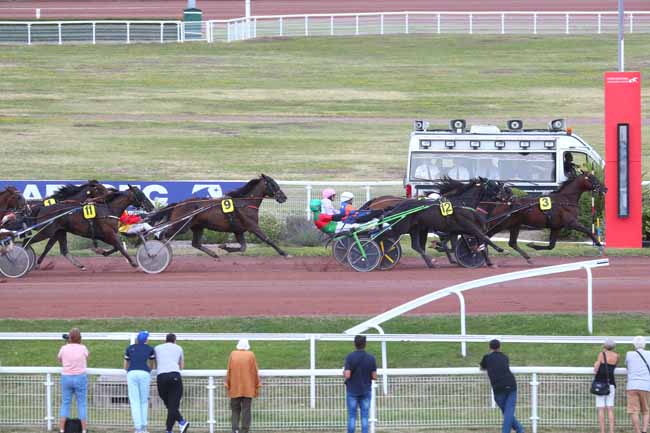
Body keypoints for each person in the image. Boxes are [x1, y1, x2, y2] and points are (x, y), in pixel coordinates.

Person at [480, 339, 524, 433]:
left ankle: (514, 430)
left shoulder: (486, 357)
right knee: (508, 412)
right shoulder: (505, 356)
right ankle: (520, 430)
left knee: (507, 412)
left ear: (489, 348)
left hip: (498, 388)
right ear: (500, 347)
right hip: (511, 385)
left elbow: (482, 367)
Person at [155, 333, 190, 433]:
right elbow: (181, 366)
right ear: (175, 340)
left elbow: (156, 363)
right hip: (174, 375)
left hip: (161, 377)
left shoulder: (157, 348)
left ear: (165, 340)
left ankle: (170, 429)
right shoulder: (178, 348)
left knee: (170, 406)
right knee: (173, 406)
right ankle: (181, 422)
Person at [224, 339, 261, 433]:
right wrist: (257, 385)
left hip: (235, 387)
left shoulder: (233, 354)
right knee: (246, 410)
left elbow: (229, 370)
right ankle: (244, 430)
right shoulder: (251, 355)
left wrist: (227, 383)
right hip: (248, 387)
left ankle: (235, 429)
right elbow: (254, 371)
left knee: (235, 410)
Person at [57, 328, 89, 433]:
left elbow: (59, 359)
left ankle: (62, 429)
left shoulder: (64, 348)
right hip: (80, 377)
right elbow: (87, 356)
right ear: (80, 338)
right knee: (82, 404)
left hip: (66, 377)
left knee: (65, 403)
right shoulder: (83, 348)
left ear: (69, 338)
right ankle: (84, 430)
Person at [344, 335, 377, 433]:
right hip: (366, 390)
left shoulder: (349, 357)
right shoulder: (371, 358)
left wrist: (343, 372)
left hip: (352, 391)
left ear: (354, 344)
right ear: (365, 344)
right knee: (365, 416)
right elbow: (374, 376)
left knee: (352, 416)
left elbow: (347, 375)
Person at [125, 330, 156, 433]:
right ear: (146, 339)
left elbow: (126, 365)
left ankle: (137, 428)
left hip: (132, 373)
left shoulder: (130, 348)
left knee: (135, 402)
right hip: (144, 374)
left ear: (137, 339)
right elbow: (152, 364)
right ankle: (144, 427)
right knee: (143, 401)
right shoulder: (150, 349)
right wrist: (148, 370)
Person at [626, 336, 650, 433]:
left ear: (634, 344)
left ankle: (637, 431)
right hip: (646, 385)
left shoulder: (629, 354)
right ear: (644, 344)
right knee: (646, 410)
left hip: (632, 385)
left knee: (633, 410)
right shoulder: (649, 354)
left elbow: (627, 366)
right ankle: (644, 431)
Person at [594, 339, 619, 433]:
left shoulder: (601, 354)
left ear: (604, 346)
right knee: (610, 409)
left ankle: (602, 431)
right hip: (611, 383)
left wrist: (595, 364)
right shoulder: (617, 356)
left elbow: (596, 368)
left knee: (601, 408)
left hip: (600, 383)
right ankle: (611, 431)